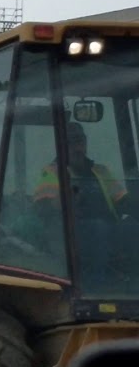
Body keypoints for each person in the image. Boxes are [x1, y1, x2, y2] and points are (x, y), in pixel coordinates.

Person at [33, 122, 135, 287]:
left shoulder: (100, 171)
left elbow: (124, 202)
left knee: (132, 227)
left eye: (80, 140)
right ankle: (97, 286)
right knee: (98, 228)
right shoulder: (52, 171)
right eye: (72, 142)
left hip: (107, 230)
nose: (77, 146)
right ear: (62, 145)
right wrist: (68, 194)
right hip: (69, 235)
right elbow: (43, 209)